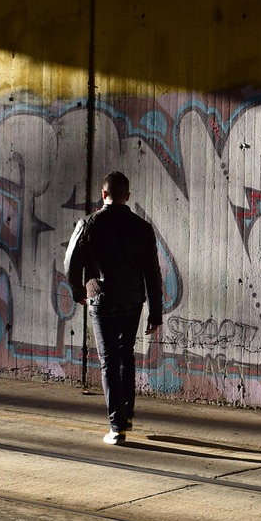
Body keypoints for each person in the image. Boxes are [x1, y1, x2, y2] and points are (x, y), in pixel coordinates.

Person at [65, 171, 163, 444]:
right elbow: (152, 274)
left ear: (103, 193)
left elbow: (70, 264)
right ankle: (127, 416)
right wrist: (156, 312)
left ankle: (116, 426)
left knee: (109, 360)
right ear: (127, 196)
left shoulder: (88, 224)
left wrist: (78, 292)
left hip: (102, 300)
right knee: (126, 356)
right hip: (133, 302)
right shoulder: (142, 228)